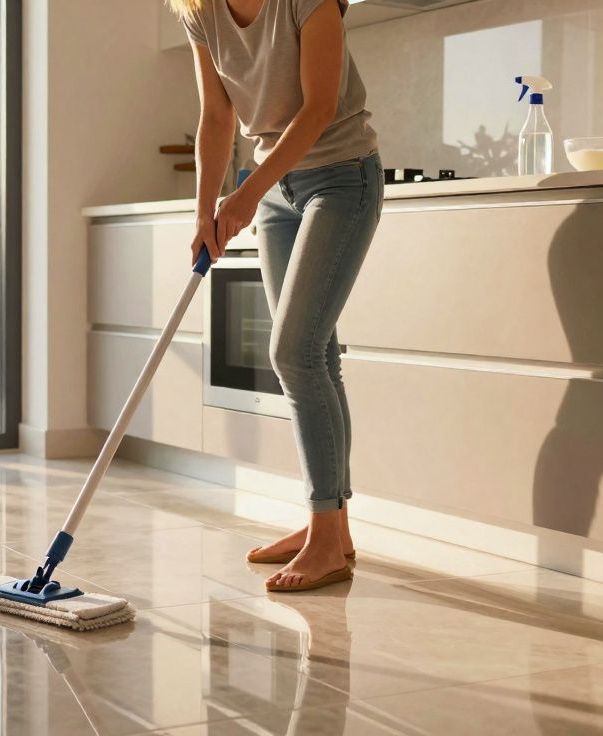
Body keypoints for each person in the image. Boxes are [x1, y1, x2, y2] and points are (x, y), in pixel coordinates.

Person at [172, 0, 381, 591]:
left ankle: (324, 536)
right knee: (316, 358)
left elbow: (318, 110)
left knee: (294, 352)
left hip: (341, 178)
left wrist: (242, 196)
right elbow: (215, 117)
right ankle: (331, 530)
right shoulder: (199, 11)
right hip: (275, 192)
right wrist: (205, 211)